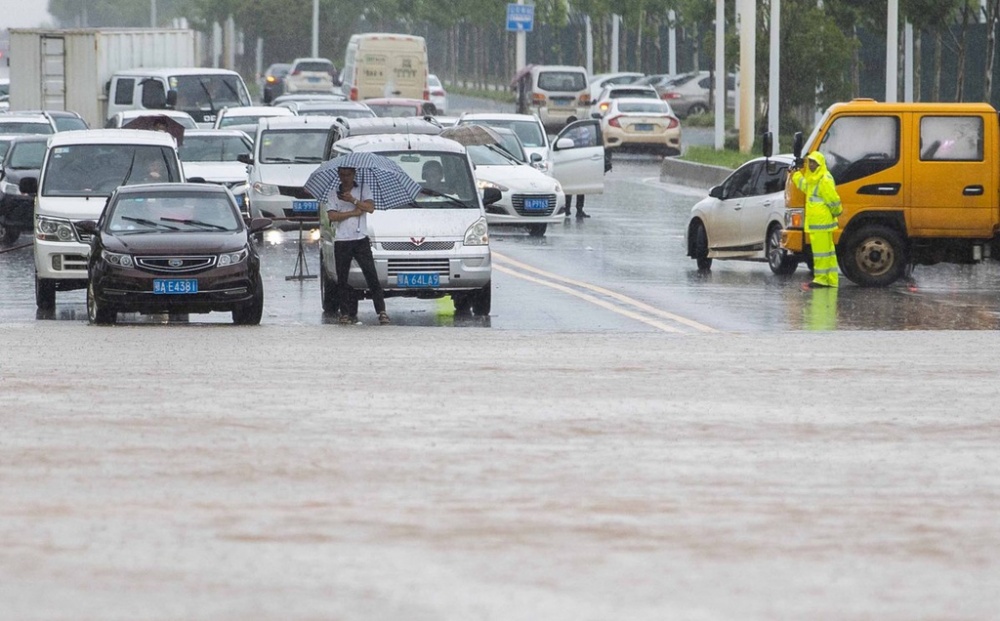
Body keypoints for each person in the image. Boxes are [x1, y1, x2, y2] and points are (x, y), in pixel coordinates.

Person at [327, 166, 390, 325]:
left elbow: (370, 208)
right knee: (342, 279)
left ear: (354, 174)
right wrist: (352, 213)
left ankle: (381, 311)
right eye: (342, 175)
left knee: (371, 275)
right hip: (342, 240)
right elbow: (332, 215)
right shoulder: (333, 193)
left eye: (348, 175)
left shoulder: (363, 189)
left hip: (360, 238)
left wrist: (353, 200)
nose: (345, 178)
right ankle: (345, 312)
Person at [791, 151, 843, 289]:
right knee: (828, 253)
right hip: (819, 223)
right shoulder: (813, 178)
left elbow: (833, 199)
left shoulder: (824, 179)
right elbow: (804, 186)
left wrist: (837, 211)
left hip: (821, 223)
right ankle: (831, 280)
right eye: (810, 162)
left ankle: (821, 280)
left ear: (820, 164)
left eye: (814, 162)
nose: (812, 165)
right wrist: (795, 174)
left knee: (821, 253)